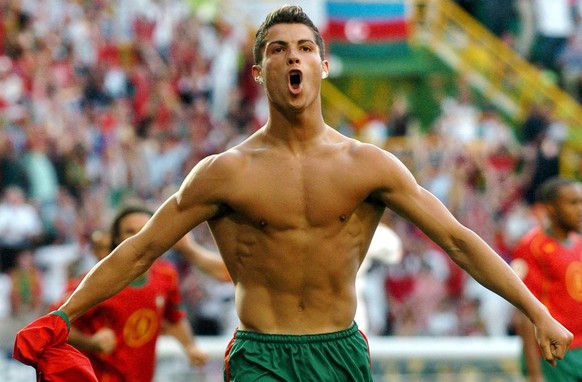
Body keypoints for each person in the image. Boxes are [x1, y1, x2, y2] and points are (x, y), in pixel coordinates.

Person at [14, 5, 572, 381]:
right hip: (263, 355)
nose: (292, 57)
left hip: (341, 350)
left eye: (304, 47)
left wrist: (536, 310)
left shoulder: (369, 165)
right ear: (258, 71)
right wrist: (63, 317)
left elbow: (457, 239)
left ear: (323, 66)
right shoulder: (224, 173)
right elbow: (137, 250)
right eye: (277, 49)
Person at [48, 204, 229, 381]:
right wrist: (91, 343)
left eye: (145, 231)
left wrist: (189, 346)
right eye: (130, 232)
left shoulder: (166, 275)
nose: (138, 239)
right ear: (117, 239)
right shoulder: (92, 283)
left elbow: (173, 318)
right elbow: (53, 323)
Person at [511, 177, 582, 382]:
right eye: (572, 203)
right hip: (554, 355)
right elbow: (524, 313)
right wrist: (535, 373)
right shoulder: (531, 248)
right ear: (550, 209)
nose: (580, 209)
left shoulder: (578, 243)